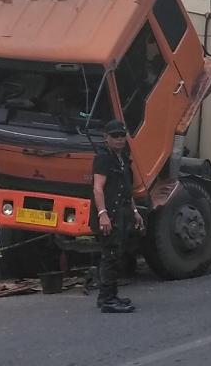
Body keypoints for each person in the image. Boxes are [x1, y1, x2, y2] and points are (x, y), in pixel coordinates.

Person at [91, 119, 144, 314]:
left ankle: (111, 296)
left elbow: (127, 190)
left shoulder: (123, 159)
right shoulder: (103, 158)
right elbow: (98, 188)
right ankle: (107, 300)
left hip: (121, 212)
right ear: (106, 138)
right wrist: (102, 214)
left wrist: (135, 212)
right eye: (115, 136)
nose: (120, 140)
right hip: (108, 213)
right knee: (109, 256)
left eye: (122, 136)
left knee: (116, 253)